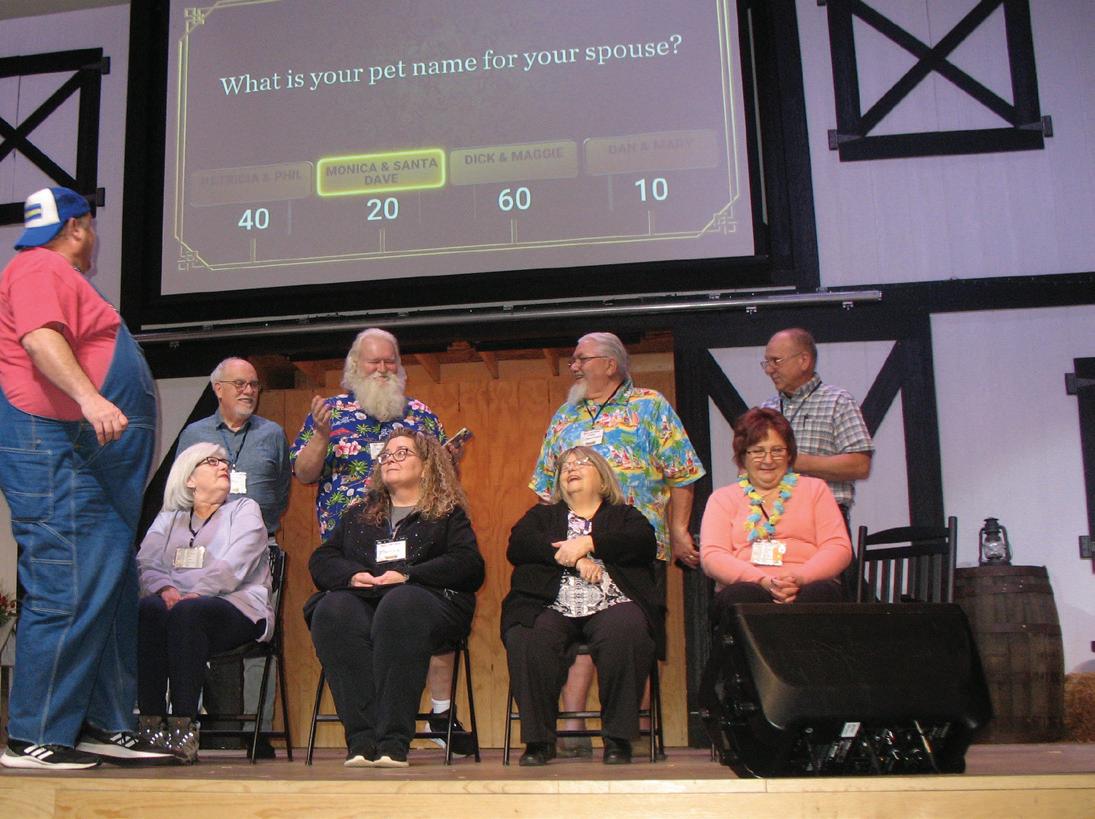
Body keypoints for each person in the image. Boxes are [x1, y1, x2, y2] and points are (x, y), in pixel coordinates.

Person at [0, 187, 173, 769]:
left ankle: (104, 721)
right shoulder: (40, 267)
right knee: (68, 578)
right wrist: (91, 398)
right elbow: (39, 337)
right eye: (91, 228)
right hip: (54, 449)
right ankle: (34, 733)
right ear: (78, 226)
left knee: (109, 581)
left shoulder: (50, 272)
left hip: (82, 458)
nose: (92, 238)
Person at [291, 327, 473, 753]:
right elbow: (303, 473)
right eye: (374, 361)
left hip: (416, 537)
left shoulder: (420, 414)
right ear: (355, 366)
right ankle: (369, 727)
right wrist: (321, 437)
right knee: (346, 620)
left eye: (390, 360)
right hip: (352, 545)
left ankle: (438, 713)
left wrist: (449, 461)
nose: (383, 368)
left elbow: (443, 483)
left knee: (415, 605)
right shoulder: (331, 412)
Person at [529, 331, 703, 756]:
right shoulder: (565, 415)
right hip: (574, 549)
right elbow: (545, 487)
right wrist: (555, 536)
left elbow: (683, 473)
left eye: (581, 359)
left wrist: (680, 530)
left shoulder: (649, 406)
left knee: (631, 630)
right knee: (574, 622)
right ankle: (573, 727)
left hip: (635, 547)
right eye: (573, 359)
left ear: (610, 364)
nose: (573, 366)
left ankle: (632, 729)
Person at [306, 429, 484, 767]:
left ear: (427, 465)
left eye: (402, 453)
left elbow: (468, 564)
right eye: (386, 455)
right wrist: (351, 576)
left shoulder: (446, 514)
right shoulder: (360, 514)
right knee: (332, 609)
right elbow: (323, 559)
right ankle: (362, 740)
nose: (390, 459)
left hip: (428, 604)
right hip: (368, 601)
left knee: (399, 604)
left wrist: (409, 575)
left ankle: (393, 741)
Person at [504, 446, 660, 766]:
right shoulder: (542, 516)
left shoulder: (624, 515)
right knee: (527, 634)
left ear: (603, 479)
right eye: (565, 466)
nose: (571, 468)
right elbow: (519, 545)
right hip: (550, 604)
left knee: (626, 630)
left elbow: (643, 543)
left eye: (582, 463)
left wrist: (590, 542)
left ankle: (618, 738)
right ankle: (539, 741)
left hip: (612, 601)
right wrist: (574, 559)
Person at [178, 356, 290, 755]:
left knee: (260, 640)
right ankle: (192, 728)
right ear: (218, 389)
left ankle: (258, 733)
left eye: (254, 385)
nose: (248, 391)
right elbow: (181, 493)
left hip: (259, 551)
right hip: (203, 552)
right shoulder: (194, 434)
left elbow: (280, 494)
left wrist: (251, 527)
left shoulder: (272, 433)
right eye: (240, 384)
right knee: (194, 631)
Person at [136, 443, 274, 763]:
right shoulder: (169, 518)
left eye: (225, 462)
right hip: (177, 606)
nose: (223, 466)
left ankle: (184, 727)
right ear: (189, 478)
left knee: (189, 613)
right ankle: (150, 725)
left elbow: (235, 563)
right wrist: (165, 588)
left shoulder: (244, 509)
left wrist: (197, 592)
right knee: (149, 609)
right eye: (212, 462)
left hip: (236, 606)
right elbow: (146, 562)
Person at [699, 408, 852, 608]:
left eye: (777, 450)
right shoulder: (722, 498)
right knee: (741, 596)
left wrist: (799, 578)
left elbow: (838, 547)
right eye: (758, 451)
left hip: (807, 584)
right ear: (743, 456)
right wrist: (763, 581)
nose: (768, 460)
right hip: (749, 586)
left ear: (789, 454)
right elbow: (713, 556)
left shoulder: (816, 490)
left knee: (821, 593)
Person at [759, 328, 873, 533]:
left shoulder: (838, 401)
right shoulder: (767, 409)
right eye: (766, 363)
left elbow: (860, 465)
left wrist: (793, 461)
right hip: (772, 519)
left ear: (804, 360)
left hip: (825, 518)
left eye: (776, 361)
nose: (769, 370)